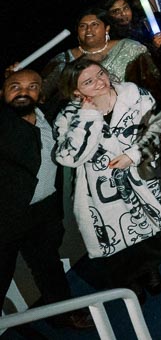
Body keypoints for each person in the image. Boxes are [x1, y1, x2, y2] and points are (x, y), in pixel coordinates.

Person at [53, 59, 161, 301]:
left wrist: (134, 154)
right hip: (100, 193)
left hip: (140, 176)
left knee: (148, 232)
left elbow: (159, 124)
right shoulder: (68, 116)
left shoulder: (133, 93)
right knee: (114, 240)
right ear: (76, 91)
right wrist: (88, 118)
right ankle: (128, 282)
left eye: (100, 74)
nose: (99, 82)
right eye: (88, 81)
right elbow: (67, 157)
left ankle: (151, 269)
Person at [0, 67, 94, 331]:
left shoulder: (48, 116)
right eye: (14, 86)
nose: (23, 91)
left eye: (32, 87)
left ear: (40, 94)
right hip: (6, 218)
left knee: (48, 267)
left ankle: (64, 314)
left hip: (43, 213)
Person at [41, 6, 160, 106]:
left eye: (95, 24)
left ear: (106, 28)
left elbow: (153, 85)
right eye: (83, 26)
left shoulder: (131, 48)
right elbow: (42, 94)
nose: (88, 30)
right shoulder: (63, 60)